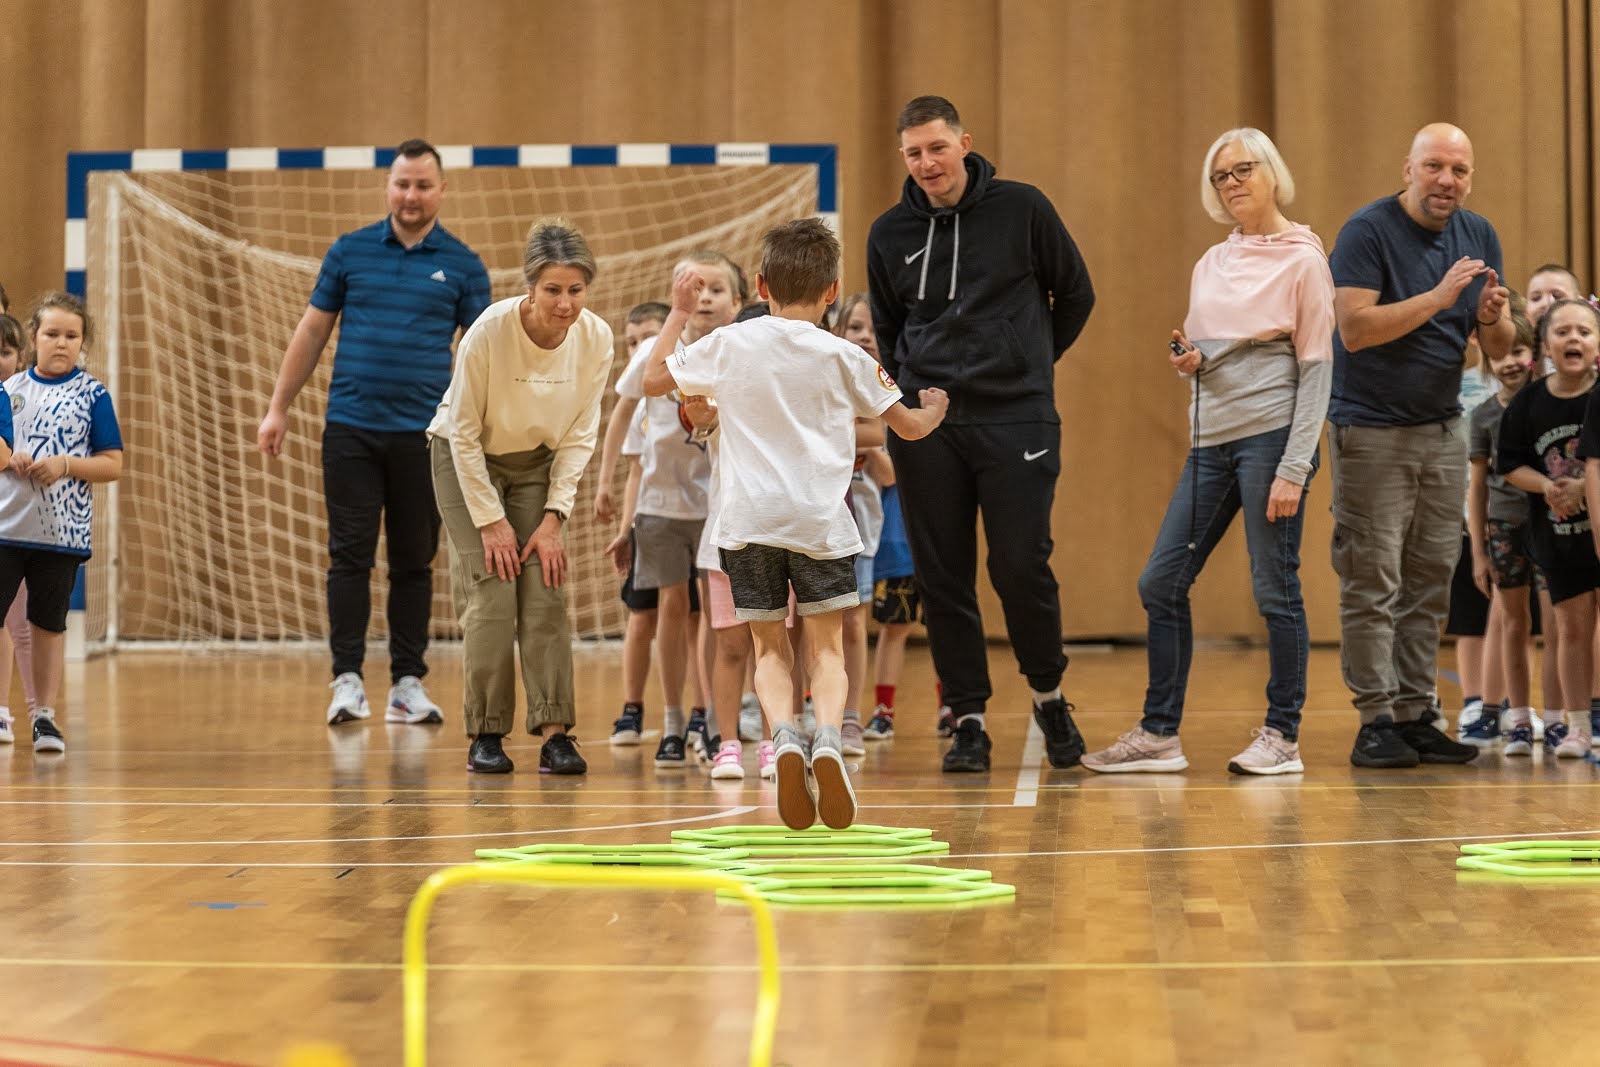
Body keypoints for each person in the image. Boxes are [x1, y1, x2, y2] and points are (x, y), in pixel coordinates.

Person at [645, 217, 948, 830]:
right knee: (827, 648)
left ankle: (782, 735)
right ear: (833, 291)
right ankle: (827, 737)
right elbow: (910, 429)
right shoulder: (846, 355)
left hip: (748, 524)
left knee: (769, 648)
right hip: (818, 524)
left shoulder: (730, 343)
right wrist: (935, 409)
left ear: (760, 286)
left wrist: (676, 316)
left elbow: (653, 381)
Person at [1077, 129, 1331, 776]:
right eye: (1221, 176)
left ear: (1271, 172)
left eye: (1243, 169)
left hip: (1272, 437)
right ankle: (1159, 735)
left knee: (1274, 589)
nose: (1232, 183)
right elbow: (1213, 349)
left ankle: (1283, 736)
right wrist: (1192, 359)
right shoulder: (1211, 262)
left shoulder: (1305, 260)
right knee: (1161, 582)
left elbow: (1317, 369)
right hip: (1210, 441)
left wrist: (1295, 466)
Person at [866, 95, 1095, 773]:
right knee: (942, 576)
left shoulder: (1023, 209)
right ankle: (967, 719)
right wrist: (912, 397)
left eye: (937, 147)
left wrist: (1029, 365)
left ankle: (1049, 696)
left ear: (963, 144)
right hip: (928, 425)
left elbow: (1075, 294)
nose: (927, 163)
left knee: (1019, 564)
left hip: (1016, 416)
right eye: (914, 153)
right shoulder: (889, 233)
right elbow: (888, 329)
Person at [257, 139, 493, 728]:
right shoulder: (349, 251)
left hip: (426, 439)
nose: (411, 196)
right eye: (402, 184)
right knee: (349, 558)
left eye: (422, 185)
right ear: (388, 187)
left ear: (442, 191)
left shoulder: (464, 265)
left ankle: (408, 685)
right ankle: (347, 682)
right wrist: (277, 408)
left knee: (414, 562)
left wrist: (480, 433)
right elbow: (312, 332)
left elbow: (480, 356)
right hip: (352, 432)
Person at [1327, 122, 1511, 769]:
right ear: (1408, 169)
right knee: (1372, 579)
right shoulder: (1367, 231)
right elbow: (1353, 330)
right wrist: (1438, 297)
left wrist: (1491, 316)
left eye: (1459, 170)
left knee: (1430, 581)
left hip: (1442, 431)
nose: (1446, 180)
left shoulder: (1479, 234)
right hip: (1371, 430)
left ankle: (1415, 714)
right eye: (1434, 166)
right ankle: (1374, 720)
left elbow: (1498, 345)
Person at [427, 219, 613, 774]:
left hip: (535, 463)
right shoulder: (489, 331)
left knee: (544, 589)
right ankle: (486, 733)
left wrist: (555, 517)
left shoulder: (596, 338)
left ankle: (555, 734)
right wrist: (490, 520)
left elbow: (580, 436)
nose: (565, 304)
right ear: (530, 286)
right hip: (464, 457)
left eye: (575, 290)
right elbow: (462, 432)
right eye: (552, 290)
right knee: (493, 587)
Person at [605, 255, 739, 764]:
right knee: (670, 607)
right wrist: (606, 480)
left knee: (714, 614)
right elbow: (624, 408)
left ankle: (709, 717)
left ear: (737, 301)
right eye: (694, 288)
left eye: (716, 289)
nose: (704, 297)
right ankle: (673, 720)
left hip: (718, 505)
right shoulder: (655, 352)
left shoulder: (738, 351)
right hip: (660, 504)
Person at [0, 292, 120, 753]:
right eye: (52, 333)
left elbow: (112, 464)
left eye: (72, 335)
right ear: (33, 337)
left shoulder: (93, 395)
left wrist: (66, 465)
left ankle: (44, 717)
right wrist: (10, 457)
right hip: (6, 529)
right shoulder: (9, 390)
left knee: (48, 623)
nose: (61, 343)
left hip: (61, 534)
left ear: (82, 341)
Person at [1502, 298, 1600, 755]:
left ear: (1597, 344)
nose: (1573, 338)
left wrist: (1584, 488)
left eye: (1584, 331)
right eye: (1563, 332)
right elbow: (1509, 465)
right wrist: (1548, 486)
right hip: (1559, 538)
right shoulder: (1528, 403)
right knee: (1571, 631)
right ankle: (1576, 727)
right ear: (1544, 346)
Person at [1464, 312, 1537, 748]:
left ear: (1535, 353)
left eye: (1519, 351)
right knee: (1511, 621)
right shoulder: (1483, 415)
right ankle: (1503, 713)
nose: (1509, 362)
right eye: (1500, 355)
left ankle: (1561, 715)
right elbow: (1477, 487)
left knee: (1555, 625)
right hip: (1504, 527)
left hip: (1551, 526)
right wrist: (1478, 551)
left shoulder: (1546, 403)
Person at [0, 314, 37, 731]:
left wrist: (17, 458)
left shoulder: (25, 396)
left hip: (15, 521)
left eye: (6, 352)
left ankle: (37, 712)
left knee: (21, 624)